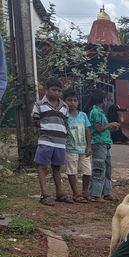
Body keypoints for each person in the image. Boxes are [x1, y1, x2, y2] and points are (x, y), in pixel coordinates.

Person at [32, 77, 70, 206]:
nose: (57, 93)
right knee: (42, 166)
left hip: (60, 142)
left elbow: (66, 122)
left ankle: (59, 193)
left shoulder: (64, 106)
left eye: (59, 91)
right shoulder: (39, 105)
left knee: (57, 167)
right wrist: (45, 128)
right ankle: (44, 194)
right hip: (46, 141)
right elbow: (35, 121)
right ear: (46, 89)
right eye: (54, 90)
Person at [88, 90, 120, 202]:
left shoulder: (100, 112)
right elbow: (98, 128)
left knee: (107, 168)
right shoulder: (95, 112)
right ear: (102, 100)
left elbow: (102, 127)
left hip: (105, 143)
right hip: (98, 143)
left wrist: (111, 127)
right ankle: (95, 194)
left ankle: (106, 192)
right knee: (99, 168)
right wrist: (110, 125)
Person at [63, 89, 93, 203]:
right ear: (65, 102)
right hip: (70, 149)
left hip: (83, 148)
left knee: (87, 170)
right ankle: (76, 193)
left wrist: (89, 146)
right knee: (72, 171)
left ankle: (85, 192)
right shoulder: (64, 116)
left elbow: (87, 131)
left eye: (75, 100)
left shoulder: (83, 115)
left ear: (78, 102)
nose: (72, 103)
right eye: (69, 100)